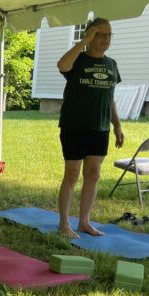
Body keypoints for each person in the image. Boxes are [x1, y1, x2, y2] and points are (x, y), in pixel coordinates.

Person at [56, 17, 124, 238]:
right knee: (72, 174)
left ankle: (84, 221)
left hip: (100, 128)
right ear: (91, 35)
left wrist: (117, 125)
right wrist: (84, 41)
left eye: (109, 34)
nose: (106, 39)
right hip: (74, 126)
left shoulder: (112, 64)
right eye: (100, 34)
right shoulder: (78, 59)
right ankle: (64, 224)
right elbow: (62, 65)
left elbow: (109, 97)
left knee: (93, 174)